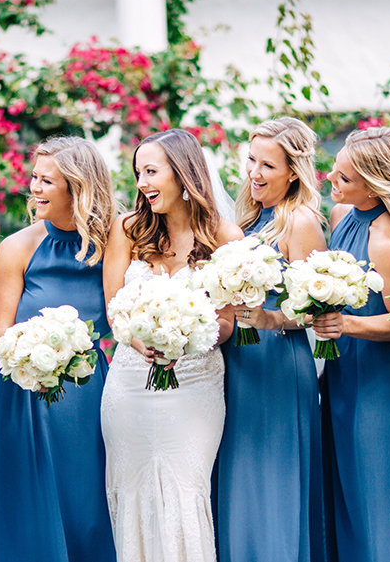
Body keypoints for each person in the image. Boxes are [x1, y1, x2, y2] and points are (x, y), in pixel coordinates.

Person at [100, 128, 242, 562]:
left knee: (185, 488)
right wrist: (140, 337)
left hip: (195, 384)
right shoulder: (126, 230)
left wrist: (188, 336)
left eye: (151, 171)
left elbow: (229, 324)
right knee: (132, 489)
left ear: (183, 176)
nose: (141, 183)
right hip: (129, 384)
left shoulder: (226, 237)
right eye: (138, 172)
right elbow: (114, 309)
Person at [0, 136, 117, 562]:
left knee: (87, 504)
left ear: (77, 189)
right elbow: (1, 336)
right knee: (31, 504)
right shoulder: (17, 249)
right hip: (26, 394)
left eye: (47, 181)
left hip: (91, 393)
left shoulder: (109, 245)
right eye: (35, 179)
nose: (35, 189)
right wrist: (33, 356)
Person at [311, 127, 390, 562]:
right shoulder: (343, 218)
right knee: (350, 497)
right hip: (345, 375)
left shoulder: (386, 239)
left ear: (373, 185)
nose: (330, 179)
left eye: (343, 178)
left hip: (383, 383)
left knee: (383, 500)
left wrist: (346, 326)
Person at [216, 118, 326, 562]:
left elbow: (316, 307)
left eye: (267, 165)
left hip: (277, 364)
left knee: (270, 486)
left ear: (293, 172)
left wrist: (270, 317)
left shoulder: (299, 221)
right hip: (237, 362)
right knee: (238, 481)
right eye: (251, 161)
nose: (255, 173)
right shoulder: (246, 218)